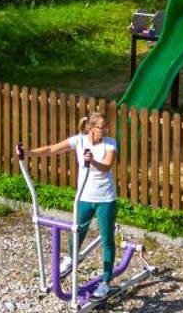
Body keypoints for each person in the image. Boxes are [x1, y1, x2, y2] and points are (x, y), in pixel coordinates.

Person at [18, 110, 120, 302]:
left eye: (106, 127)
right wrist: (28, 153)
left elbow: (107, 166)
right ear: (90, 128)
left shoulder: (110, 143)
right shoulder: (79, 140)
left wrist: (93, 161)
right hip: (83, 197)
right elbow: (51, 149)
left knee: (107, 240)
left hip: (105, 199)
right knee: (77, 232)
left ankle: (106, 282)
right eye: (101, 127)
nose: (105, 130)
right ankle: (71, 259)